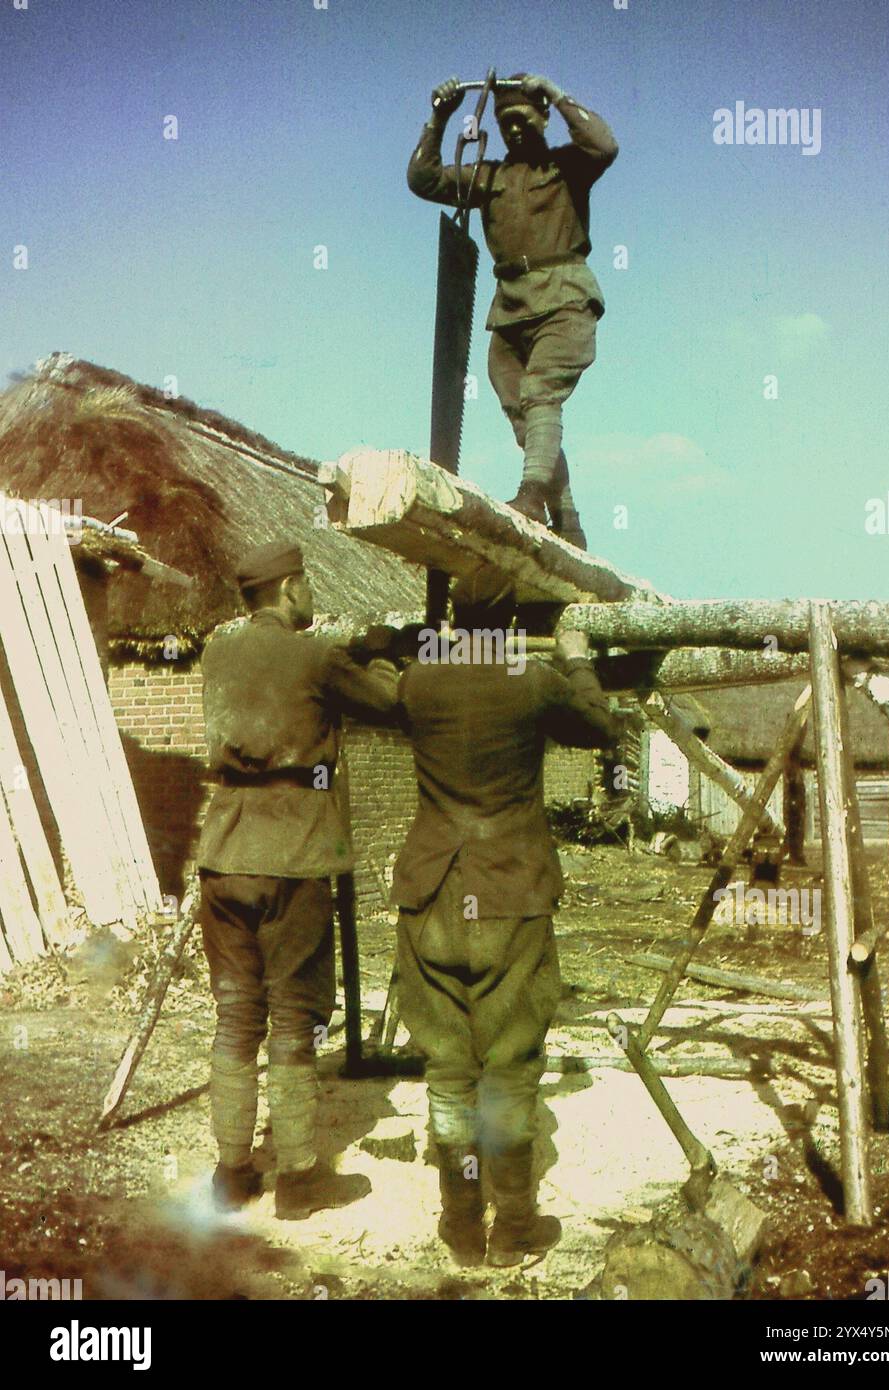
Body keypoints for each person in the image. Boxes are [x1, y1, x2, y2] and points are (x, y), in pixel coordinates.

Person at [392, 564, 617, 1265]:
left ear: (456, 618)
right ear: (514, 623)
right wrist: (577, 661)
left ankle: (460, 1222)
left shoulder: (418, 682)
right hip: (508, 891)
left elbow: (380, 677)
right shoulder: (532, 679)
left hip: (430, 892)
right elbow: (599, 726)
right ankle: (513, 1224)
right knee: (510, 1062)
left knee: (448, 1064)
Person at [197, 540, 399, 1220]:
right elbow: (390, 704)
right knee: (291, 1018)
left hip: (224, 852)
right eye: (305, 585)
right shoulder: (319, 656)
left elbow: (276, 688)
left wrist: (349, 655)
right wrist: (377, 654)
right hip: (296, 853)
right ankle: (301, 1180)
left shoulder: (217, 652)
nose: (311, 595)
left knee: (235, 1015)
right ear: (288, 590)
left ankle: (230, 1176)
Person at [408, 71, 619, 549]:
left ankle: (530, 496)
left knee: (542, 394)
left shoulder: (570, 166)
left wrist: (560, 95)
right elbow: (423, 180)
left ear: (543, 116)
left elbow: (604, 145)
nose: (515, 128)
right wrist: (438, 120)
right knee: (522, 411)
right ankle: (566, 518)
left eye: (523, 118)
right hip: (509, 309)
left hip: (564, 298)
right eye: (505, 122)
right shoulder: (490, 176)